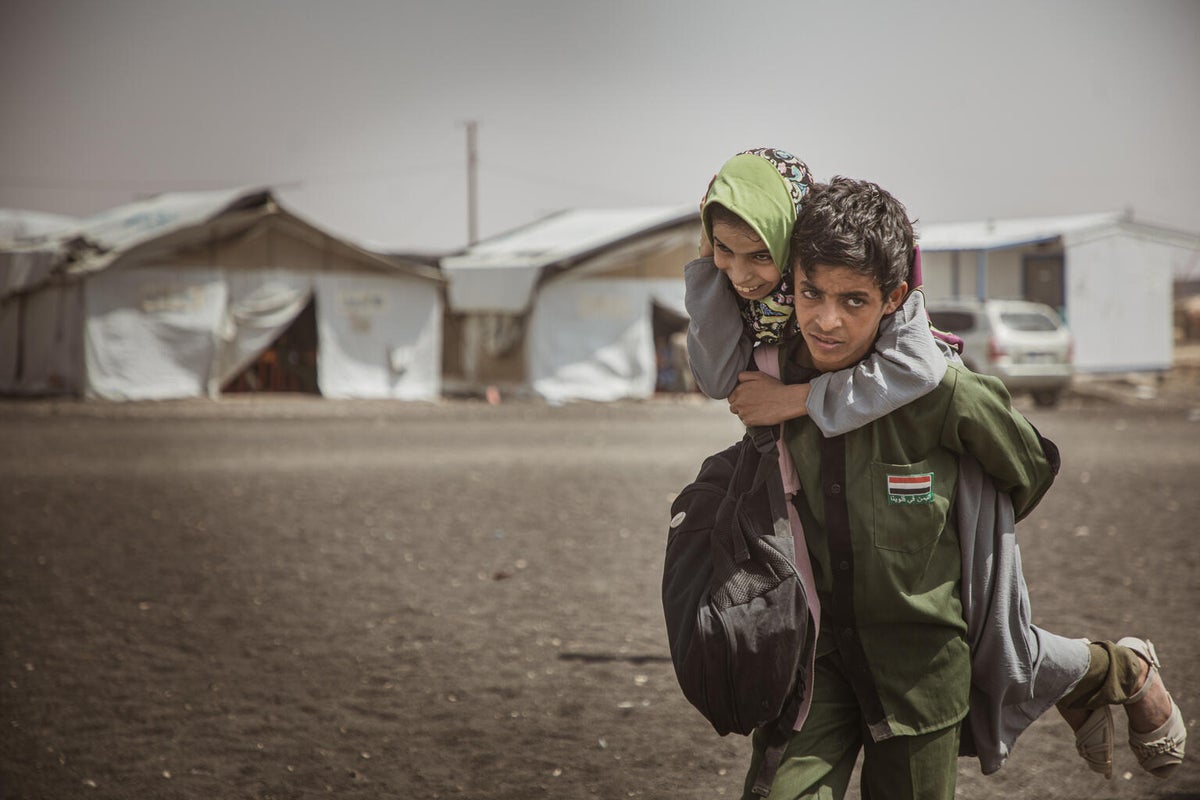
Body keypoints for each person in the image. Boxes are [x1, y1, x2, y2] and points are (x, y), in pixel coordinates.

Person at [727, 176, 1186, 799]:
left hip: (920, 671)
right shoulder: (773, 377)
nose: (826, 320)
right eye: (811, 292)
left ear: (893, 298)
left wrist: (953, 525)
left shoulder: (945, 392)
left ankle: (1118, 669)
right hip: (813, 664)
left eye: (853, 301)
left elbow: (1029, 467)